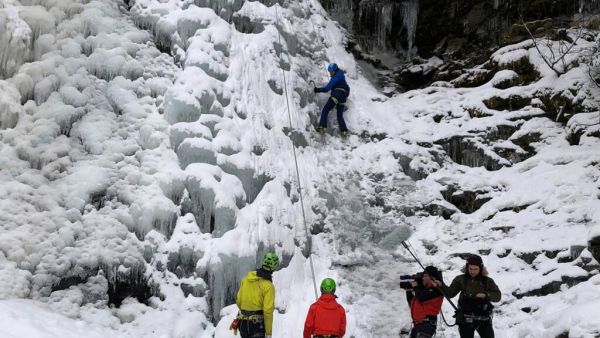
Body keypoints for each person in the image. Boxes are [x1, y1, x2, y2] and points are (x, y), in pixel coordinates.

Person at [436, 255, 501, 338]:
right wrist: (441, 285)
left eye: (475, 269)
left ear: (480, 268)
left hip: (484, 319)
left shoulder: (488, 281)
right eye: (470, 269)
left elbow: (498, 296)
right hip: (465, 319)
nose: (472, 271)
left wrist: (486, 295)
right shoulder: (460, 279)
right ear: (467, 267)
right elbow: (450, 294)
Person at [234, 252, 279, 338]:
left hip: (243, 323)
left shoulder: (246, 279)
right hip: (257, 326)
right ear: (274, 267)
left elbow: (239, 302)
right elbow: (268, 311)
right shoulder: (268, 286)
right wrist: (268, 333)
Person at [402, 266, 444, 338]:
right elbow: (412, 304)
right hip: (418, 325)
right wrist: (408, 291)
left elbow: (422, 297)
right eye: (423, 276)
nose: (423, 278)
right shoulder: (423, 290)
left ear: (433, 278)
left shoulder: (437, 289)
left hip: (426, 326)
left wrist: (416, 285)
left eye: (425, 276)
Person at [313, 63, 350, 137]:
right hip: (342, 98)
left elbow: (327, 89)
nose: (330, 73)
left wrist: (318, 89)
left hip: (336, 96)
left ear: (334, 70)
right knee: (339, 116)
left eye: (331, 72)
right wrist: (344, 95)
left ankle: (322, 127)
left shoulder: (335, 78)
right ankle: (344, 131)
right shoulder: (342, 77)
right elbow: (348, 88)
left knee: (325, 110)